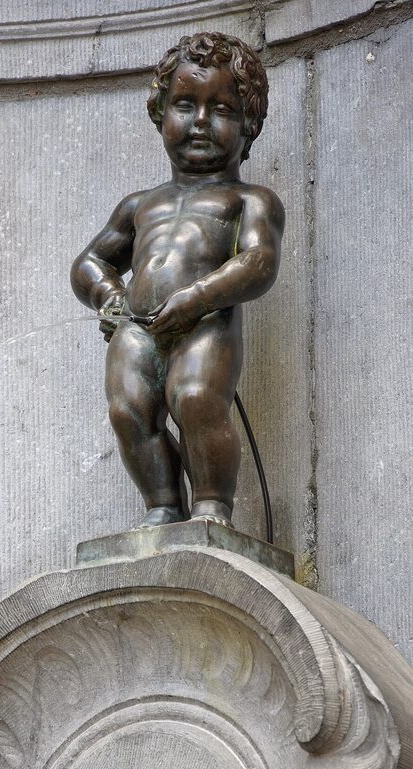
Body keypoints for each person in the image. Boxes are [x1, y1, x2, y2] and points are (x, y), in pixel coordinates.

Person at [71, 32, 284, 528]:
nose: (201, 122)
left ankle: (212, 505)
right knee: (128, 410)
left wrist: (197, 298)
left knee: (195, 399)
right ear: (159, 113)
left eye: (223, 110)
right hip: (138, 324)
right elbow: (89, 263)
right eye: (185, 105)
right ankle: (163, 505)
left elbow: (259, 262)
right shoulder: (140, 205)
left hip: (206, 321)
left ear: (249, 123)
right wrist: (109, 296)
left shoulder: (250, 200)